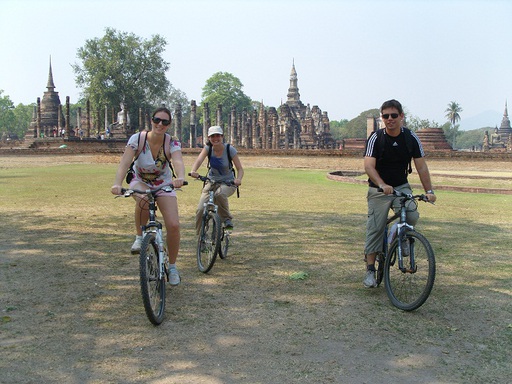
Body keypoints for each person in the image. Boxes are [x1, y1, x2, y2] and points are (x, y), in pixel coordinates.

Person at [362, 99, 437, 288]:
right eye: (385, 116)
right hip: (379, 189)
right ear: (382, 118)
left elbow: (421, 166)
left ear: (401, 117)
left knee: (411, 213)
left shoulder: (410, 138)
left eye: (394, 115)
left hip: (401, 186)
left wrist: (429, 191)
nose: (390, 119)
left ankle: (399, 232)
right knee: (375, 228)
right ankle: (370, 270)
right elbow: (368, 165)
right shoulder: (376, 138)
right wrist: (381, 183)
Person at [111, 107, 186, 286]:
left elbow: (178, 161)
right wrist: (117, 183)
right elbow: (125, 162)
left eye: (165, 122)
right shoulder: (138, 139)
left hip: (164, 184)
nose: (160, 124)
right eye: (157, 120)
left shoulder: (171, 143)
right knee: (143, 199)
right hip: (140, 181)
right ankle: (139, 237)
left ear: (169, 125)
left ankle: (173, 267)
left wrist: (180, 177)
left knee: (174, 225)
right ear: (151, 120)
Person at [189, 126, 244, 233]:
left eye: (218, 135)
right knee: (201, 209)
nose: (215, 138)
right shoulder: (208, 149)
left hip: (228, 182)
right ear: (209, 138)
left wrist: (238, 179)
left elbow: (240, 169)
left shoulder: (229, 149)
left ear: (222, 136)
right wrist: (193, 170)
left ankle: (227, 219)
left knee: (219, 194)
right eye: (212, 136)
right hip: (211, 181)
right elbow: (199, 160)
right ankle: (201, 238)